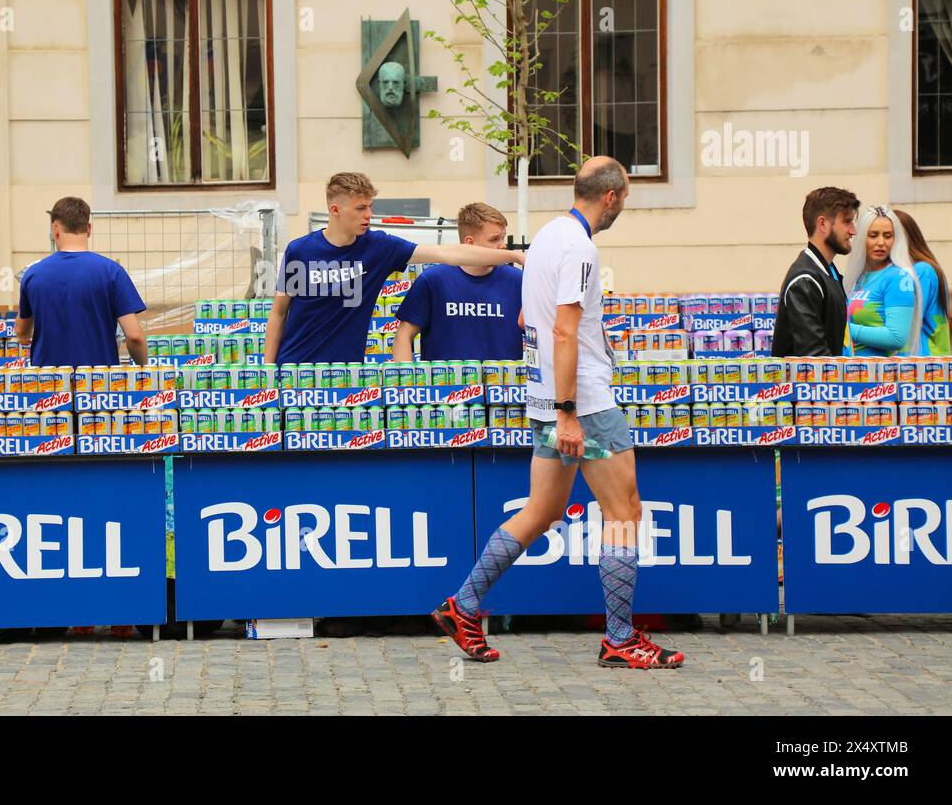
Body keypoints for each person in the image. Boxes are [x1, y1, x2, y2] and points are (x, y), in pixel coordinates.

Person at [432, 157, 684, 669]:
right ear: (611, 197)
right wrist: (570, 412)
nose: (625, 205)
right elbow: (563, 331)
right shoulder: (580, 248)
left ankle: (463, 604)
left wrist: (555, 404)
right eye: (627, 197)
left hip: (548, 395)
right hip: (583, 400)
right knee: (624, 512)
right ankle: (619, 638)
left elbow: (532, 318)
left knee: (542, 510)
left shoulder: (548, 237)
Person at [263, 173, 525, 366]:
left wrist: (514, 256)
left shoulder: (378, 247)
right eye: (361, 208)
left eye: (370, 207)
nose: (369, 214)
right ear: (335, 210)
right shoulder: (300, 251)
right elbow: (279, 312)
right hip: (293, 369)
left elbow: (450, 252)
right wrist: (267, 368)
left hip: (347, 372)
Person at [15, 197, 148, 367]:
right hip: (99, 382)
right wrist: (144, 368)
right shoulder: (112, 272)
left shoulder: (33, 274)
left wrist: (25, 334)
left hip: (47, 383)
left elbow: (21, 330)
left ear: (55, 230)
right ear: (89, 228)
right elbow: (134, 336)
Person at [391, 202, 523, 362]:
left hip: (505, 385)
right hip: (445, 384)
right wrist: (407, 383)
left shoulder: (518, 280)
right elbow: (403, 336)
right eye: (494, 239)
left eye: (503, 237)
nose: (503, 245)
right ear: (469, 243)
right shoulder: (434, 279)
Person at [772, 187, 859, 357]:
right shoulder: (805, 280)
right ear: (823, 224)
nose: (853, 230)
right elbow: (815, 357)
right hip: (817, 383)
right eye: (847, 221)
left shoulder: (827, 271)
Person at [841, 205, 922, 358]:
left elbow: (896, 337)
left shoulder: (899, 277)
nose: (881, 242)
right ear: (861, 238)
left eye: (887, 235)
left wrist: (845, 329)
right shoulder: (859, 277)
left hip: (882, 376)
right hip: (855, 374)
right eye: (873, 235)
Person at [894, 210, 952, 356]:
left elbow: (903, 322)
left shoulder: (921, 271)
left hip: (924, 365)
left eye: (888, 236)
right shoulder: (919, 269)